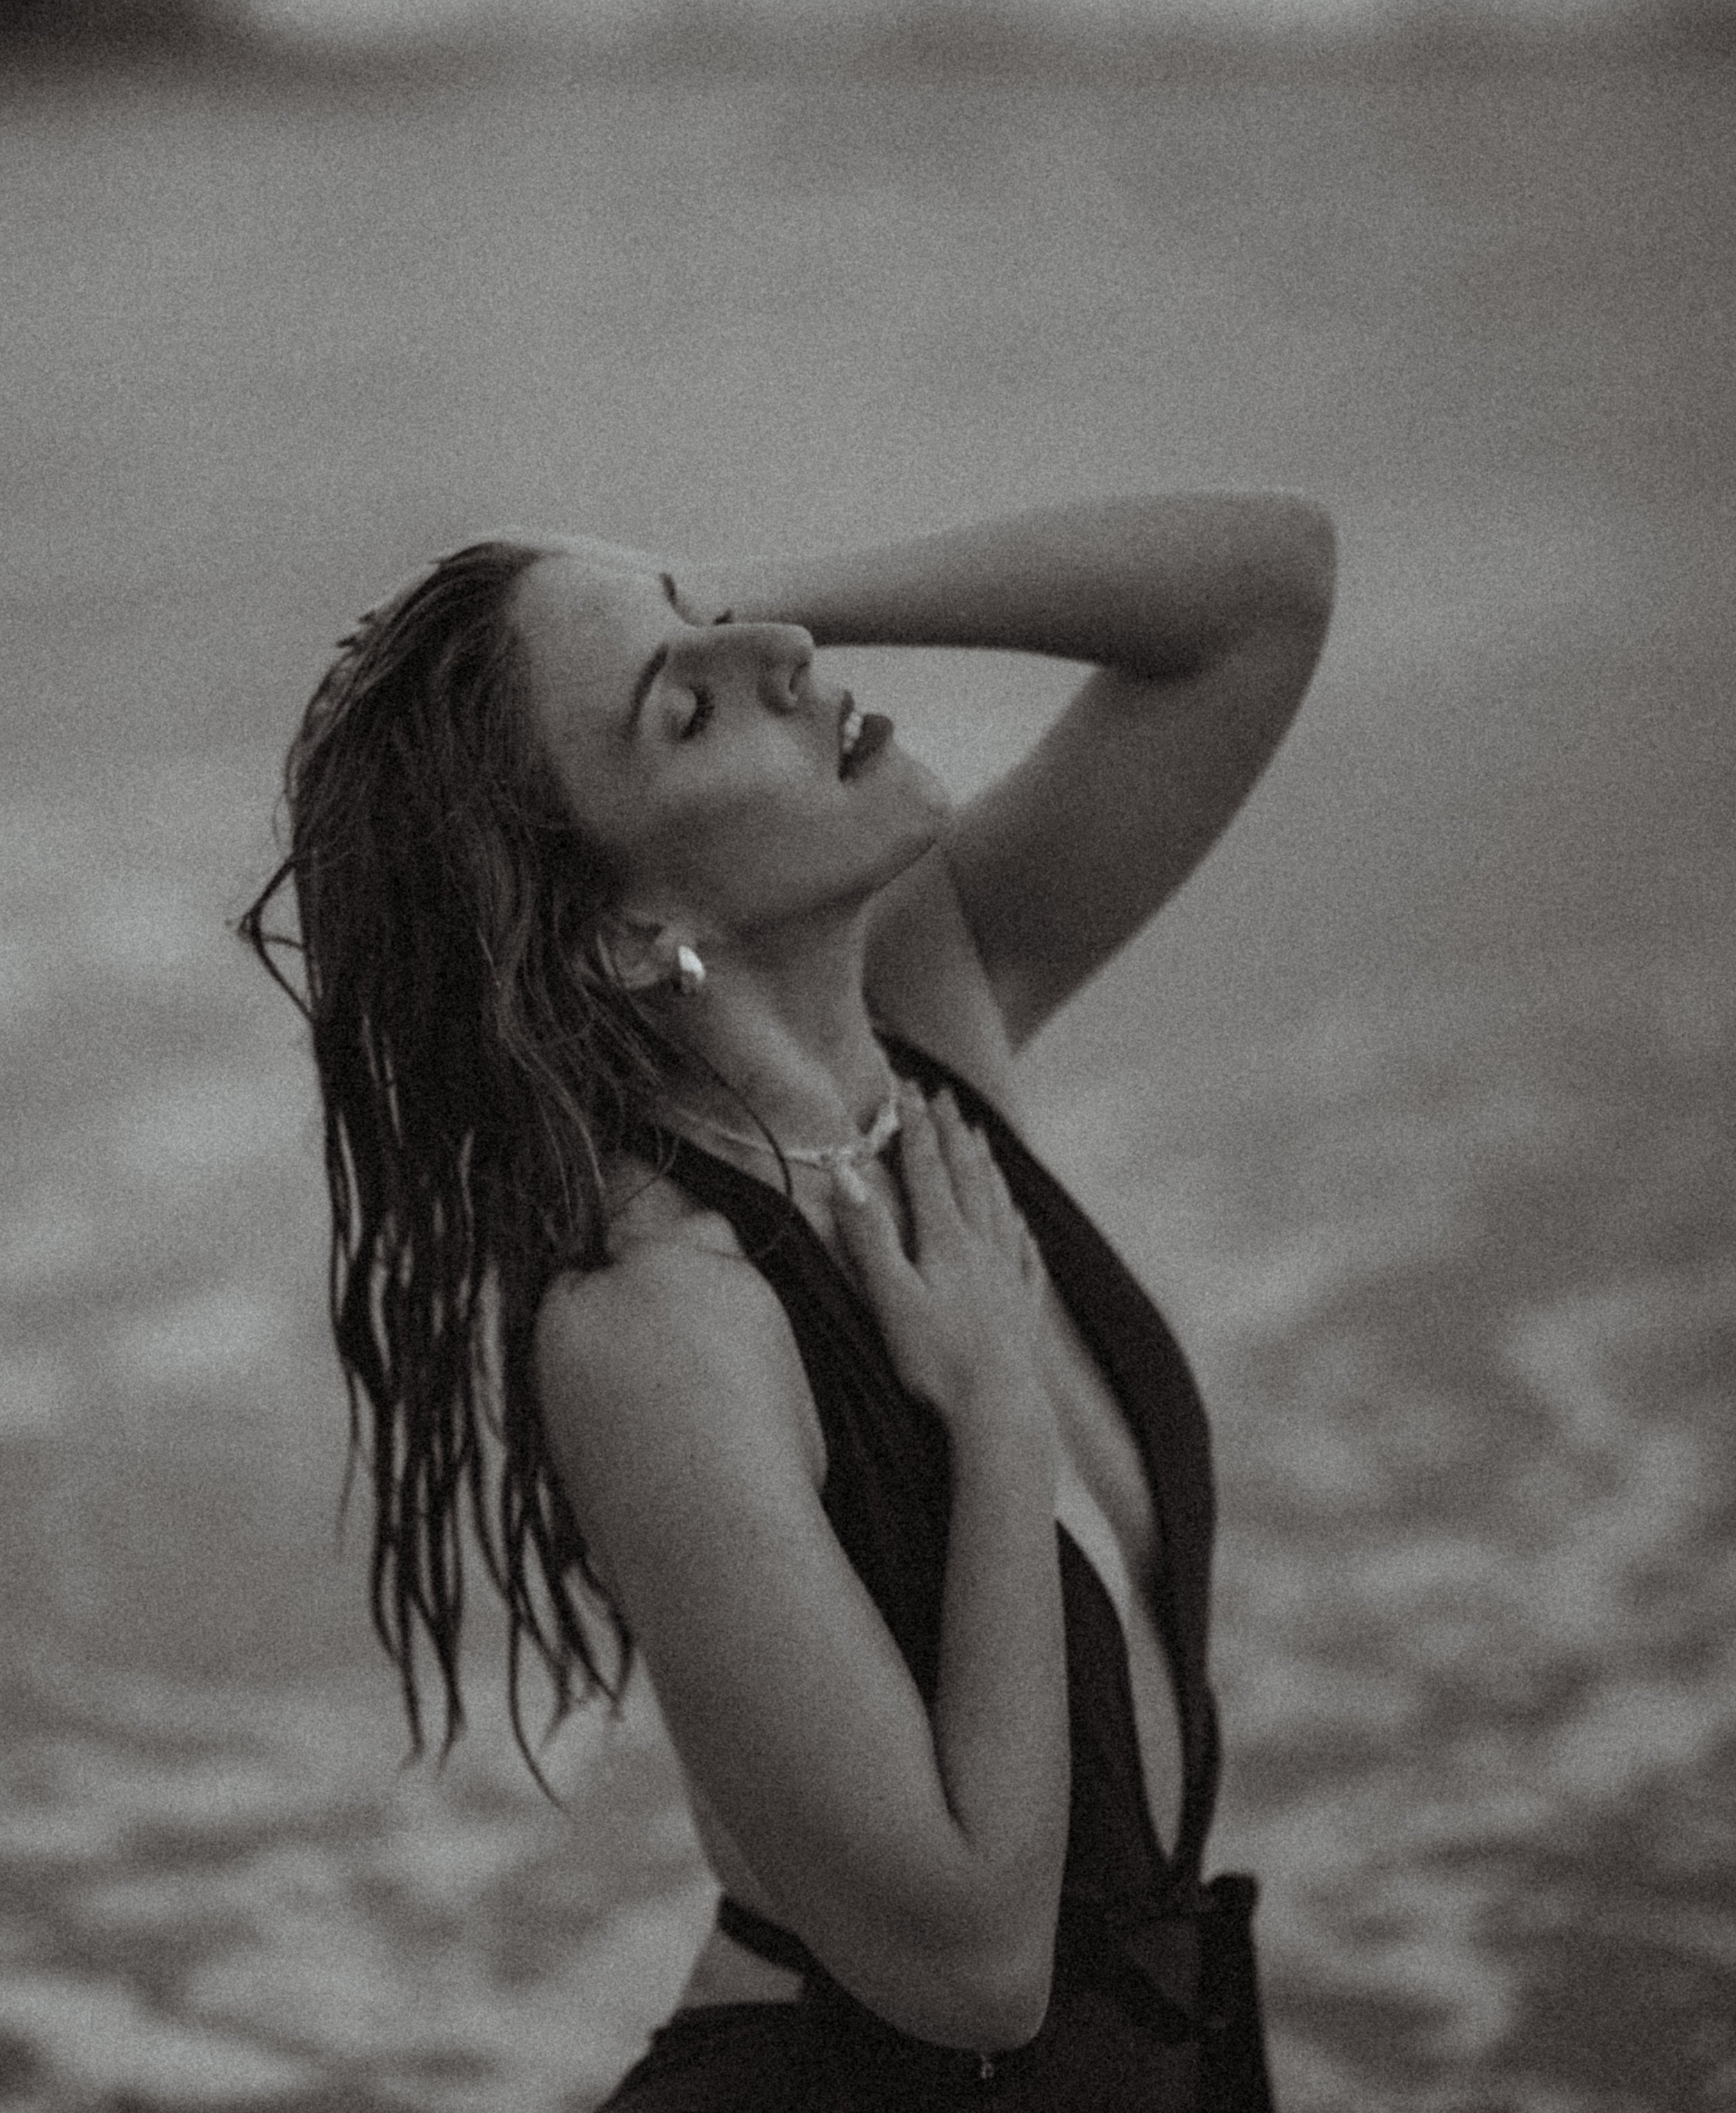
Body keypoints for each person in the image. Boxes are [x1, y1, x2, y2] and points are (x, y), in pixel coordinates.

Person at [241, 495, 1335, 2109]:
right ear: (635, 931)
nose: (783, 657)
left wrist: (706, 603)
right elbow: (968, 1971)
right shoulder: (655, 1324)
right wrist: (994, 1420)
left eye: (736, 631)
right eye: (689, 707)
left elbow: (1262, 591)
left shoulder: (921, 1032)